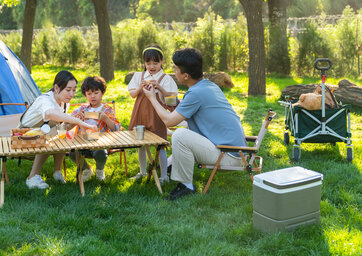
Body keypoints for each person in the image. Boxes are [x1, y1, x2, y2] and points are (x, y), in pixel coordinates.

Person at [142, 48, 246, 200]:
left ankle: (186, 186)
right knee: (182, 131)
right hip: (236, 150)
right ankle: (174, 169)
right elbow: (182, 107)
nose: (173, 71)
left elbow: (170, 121)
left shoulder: (196, 93)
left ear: (185, 76)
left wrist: (151, 98)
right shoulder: (207, 86)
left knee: (180, 134)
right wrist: (163, 92)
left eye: (176, 69)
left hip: (229, 155)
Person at [21, 70, 96, 190]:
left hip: (44, 132)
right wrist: (77, 121)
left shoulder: (64, 103)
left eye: (74, 89)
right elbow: (50, 113)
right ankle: (32, 177)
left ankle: (57, 172)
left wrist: (72, 122)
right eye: (68, 90)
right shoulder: (45, 100)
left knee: (61, 135)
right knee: (50, 136)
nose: (71, 94)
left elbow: (61, 127)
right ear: (56, 88)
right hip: (24, 136)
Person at [128, 44, 178, 183]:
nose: (151, 66)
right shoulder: (139, 76)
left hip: (157, 116)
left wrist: (160, 87)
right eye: (148, 63)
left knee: (160, 144)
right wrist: (140, 87)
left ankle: (163, 176)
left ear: (162, 61)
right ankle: (142, 172)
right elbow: (132, 94)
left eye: (155, 63)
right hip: (140, 114)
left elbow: (172, 101)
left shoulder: (166, 79)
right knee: (141, 144)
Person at [69, 76, 121, 181]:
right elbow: (67, 125)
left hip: (100, 143)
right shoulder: (82, 109)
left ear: (102, 93)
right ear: (85, 95)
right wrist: (76, 119)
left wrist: (106, 118)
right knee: (72, 153)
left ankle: (100, 170)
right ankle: (86, 169)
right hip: (82, 142)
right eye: (89, 94)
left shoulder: (106, 109)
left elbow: (116, 128)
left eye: (96, 93)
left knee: (101, 153)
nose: (93, 96)